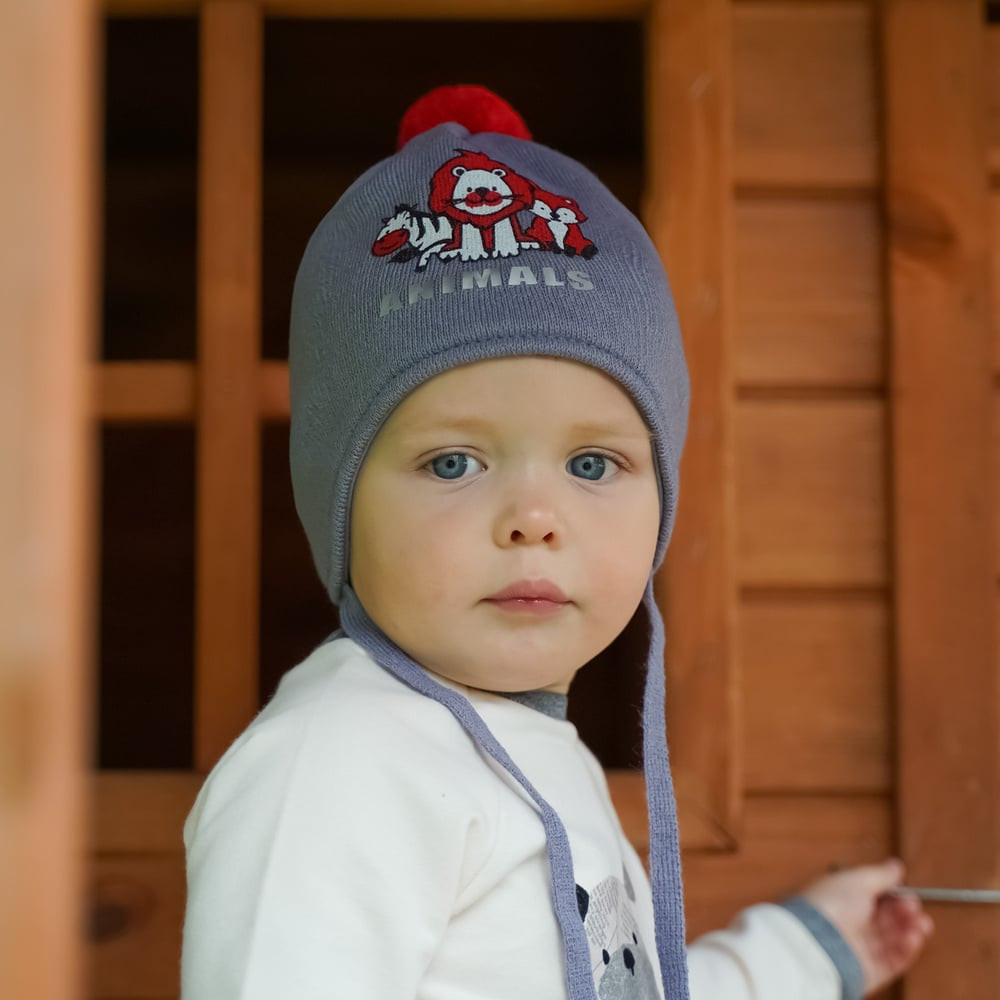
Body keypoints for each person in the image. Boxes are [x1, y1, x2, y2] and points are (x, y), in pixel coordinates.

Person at [180, 85, 932, 1000]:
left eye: (592, 464)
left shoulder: (539, 752)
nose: (534, 517)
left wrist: (810, 952)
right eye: (454, 463)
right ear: (336, 501)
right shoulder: (335, 765)